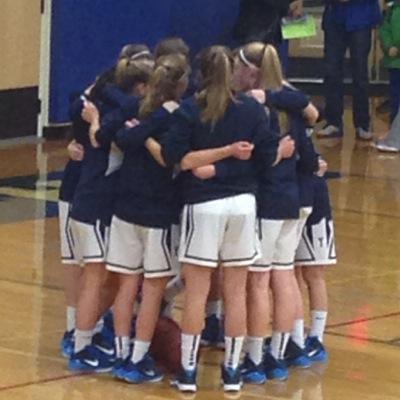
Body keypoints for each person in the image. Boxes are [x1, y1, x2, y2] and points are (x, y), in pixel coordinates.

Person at [161, 45, 294, 393]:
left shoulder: (190, 109)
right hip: (243, 206)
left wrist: (215, 165)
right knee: (236, 293)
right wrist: (233, 156)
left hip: (203, 206)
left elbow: (176, 158)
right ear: (232, 71)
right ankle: (232, 372)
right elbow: (266, 159)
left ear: (201, 73)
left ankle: (189, 373)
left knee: (197, 292)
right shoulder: (253, 110)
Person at [105, 54, 191, 384]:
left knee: (127, 284)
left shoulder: (139, 111)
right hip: (156, 212)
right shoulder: (179, 117)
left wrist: (143, 131)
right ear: (182, 85)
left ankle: (121, 353)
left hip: (125, 207)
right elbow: (169, 157)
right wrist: (153, 131)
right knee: (152, 289)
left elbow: (126, 138)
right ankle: (138, 357)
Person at [67, 56, 153, 373]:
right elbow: (117, 111)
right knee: (95, 278)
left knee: (108, 281)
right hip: (96, 205)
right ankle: (81, 347)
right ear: (140, 87)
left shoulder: (98, 107)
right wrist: (100, 111)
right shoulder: (118, 114)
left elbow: (81, 101)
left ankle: (88, 335)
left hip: (91, 203)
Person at [318, 0, 381, 140]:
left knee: (360, 73)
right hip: (334, 17)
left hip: (361, 16)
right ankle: (333, 122)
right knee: (331, 72)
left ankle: (362, 124)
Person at [294, 174, 337, 363]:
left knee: (312, 274)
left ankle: (314, 338)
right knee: (291, 273)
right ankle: (296, 338)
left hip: (309, 196)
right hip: (295, 194)